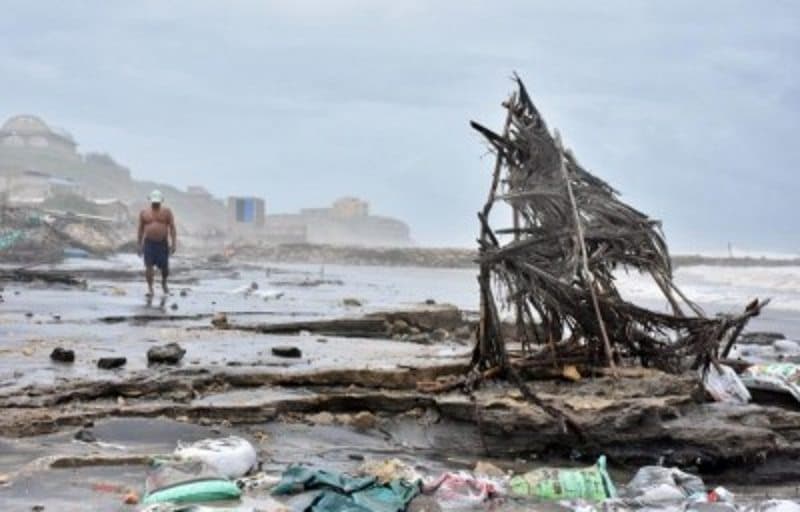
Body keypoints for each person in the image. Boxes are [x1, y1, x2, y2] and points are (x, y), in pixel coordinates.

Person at [137, 190, 177, 296]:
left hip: (162, 244)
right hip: (149, 244)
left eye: (157, 202)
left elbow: (172, 228)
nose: (155, 204)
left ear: (161, 201)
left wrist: (174, 244)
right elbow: (140, 229)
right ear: (150, 200)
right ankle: (150, 288)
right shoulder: (144, 212)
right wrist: (139, 245)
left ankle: (164, 282)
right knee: (148, 266)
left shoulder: (167, 212)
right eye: (154, 202)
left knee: (165, 268)